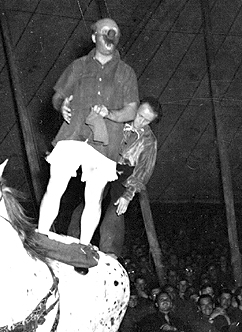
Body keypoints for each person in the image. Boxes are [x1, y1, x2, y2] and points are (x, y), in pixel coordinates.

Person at [37, 18, 139, 246]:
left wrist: (110, 114)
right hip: (73, 134)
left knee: (93, 196)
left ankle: (84, 247)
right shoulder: (78, 66)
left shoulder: (126, 73)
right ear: (94, 37)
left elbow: (131, 110)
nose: (110, 36)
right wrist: (61, 104)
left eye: (115, 32)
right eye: (105, 32)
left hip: (104, 142)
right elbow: (57, 95)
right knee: (55, 186)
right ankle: (41, 237)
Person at [68, 97, 162, 257]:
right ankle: (72, 239)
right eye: (139, 116)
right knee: (90, 199)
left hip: (125, 172)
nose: (140, 122)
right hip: (105, 161)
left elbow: (143, 170)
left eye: (146, 121)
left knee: (117, 206)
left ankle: (110, 250)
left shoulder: (149, 141)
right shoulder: (117, 120)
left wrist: (128, 195)